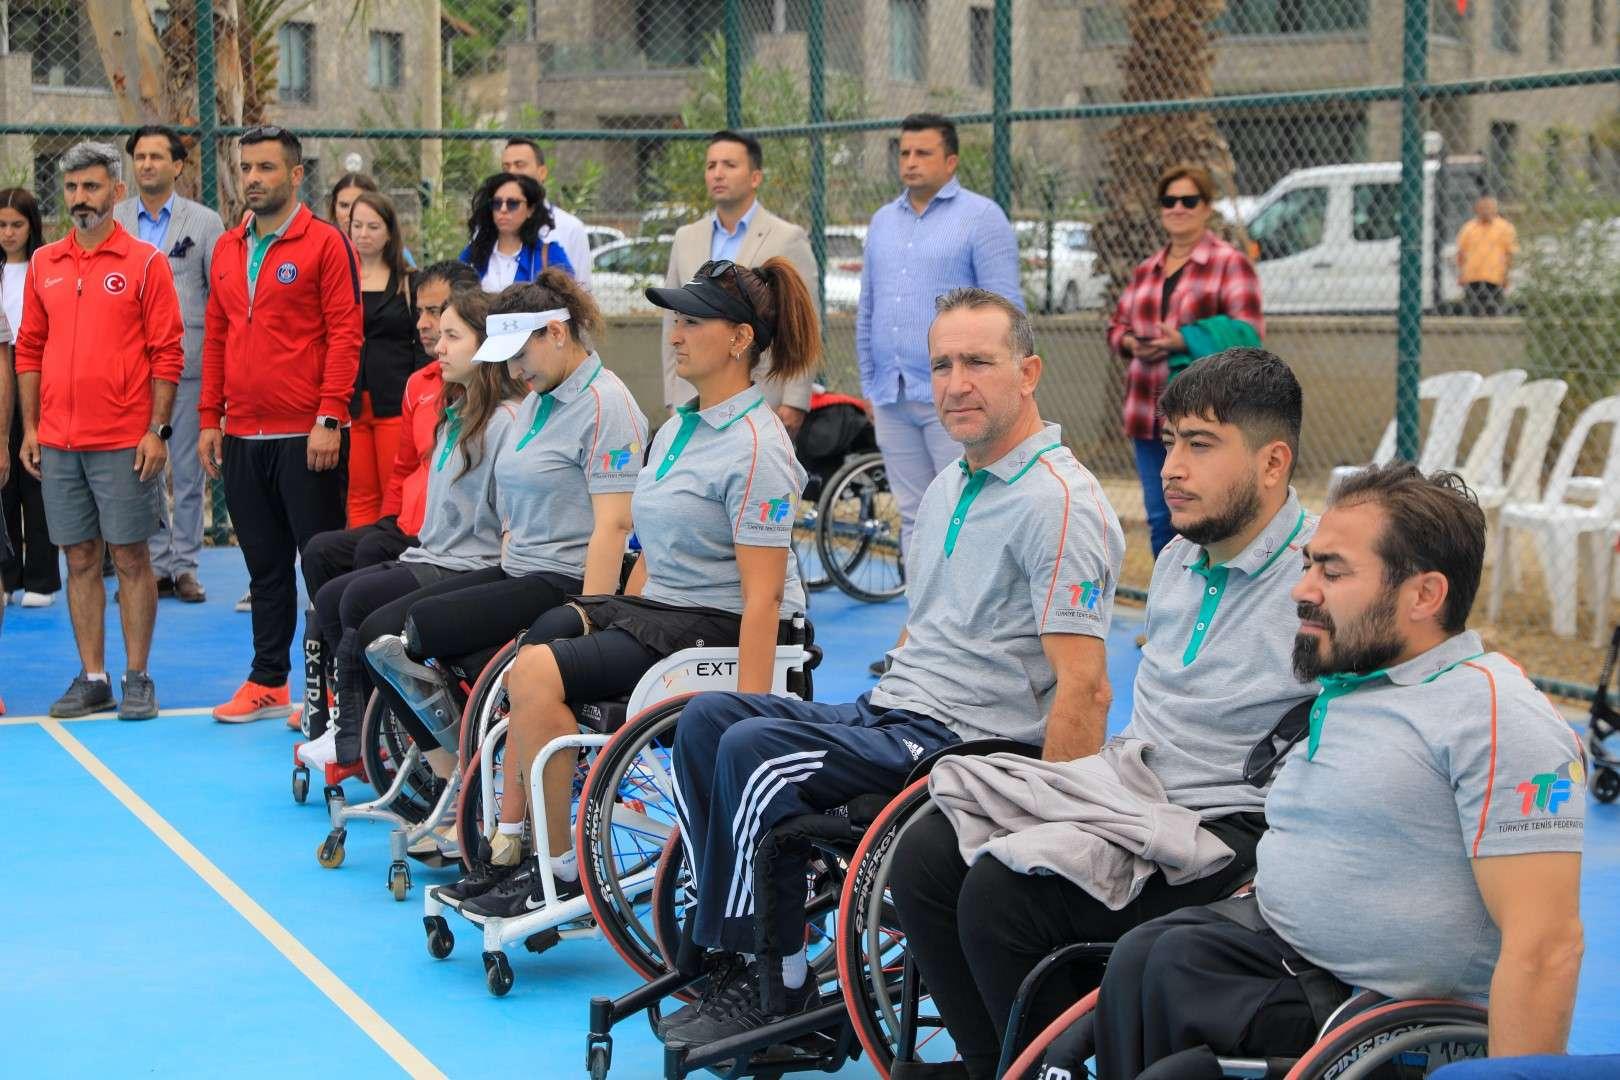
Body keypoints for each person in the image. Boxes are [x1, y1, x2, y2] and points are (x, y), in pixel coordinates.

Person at [656, 287, 1125, 1048]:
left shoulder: (1058, 503)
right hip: (896, 711)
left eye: (978, 363)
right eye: (941, 365)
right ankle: (736, 955)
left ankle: (774, 984)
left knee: (754, 751)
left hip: (964, 744)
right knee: (707, 720)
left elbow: (1087, 687)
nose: (955, 384)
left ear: (1029, 372)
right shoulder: (949, 484)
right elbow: (925, 625)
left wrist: (1051, 842)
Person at [886, 348, 1314, 1080]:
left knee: (1004, 894)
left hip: (1229, 833)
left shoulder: (1318, 585)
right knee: (927, 851)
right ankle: (995, 1065)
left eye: (1200, 445)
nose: (1171, 467)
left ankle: (1059, 1067)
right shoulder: (1178, 561)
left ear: (1273, 462)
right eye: (1170, 442)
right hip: (1136, 796)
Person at [1094, 464, 1585, 1077]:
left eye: (1332, 572)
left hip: (1383, 1021)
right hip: (1280, 953)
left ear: (1424, 596)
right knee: (1140, 955)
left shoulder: (1496, 716)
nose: (1301, 589)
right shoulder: (1358, 678)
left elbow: (1547, 946)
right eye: (1308, 565)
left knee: (1172, 1002)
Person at [441, 257, 820, 920]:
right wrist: (614, 610)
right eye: (676, 320)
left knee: (537, 670)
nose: (675, 334)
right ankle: (514, 844)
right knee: (544, 636)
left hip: (717, 627)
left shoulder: (759, 449)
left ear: (740, 340)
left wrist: (749, 723)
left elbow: (763, 600)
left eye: (693, 322)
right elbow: (652, 551)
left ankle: (557, 868)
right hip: (665, 613)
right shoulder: (677, 429)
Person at [363, 271, 644, 858]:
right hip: (518, 568)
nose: (514, 371)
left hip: (562, 580)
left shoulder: (606, 405)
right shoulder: (540, 399)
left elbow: (614, 526)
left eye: (521, 355)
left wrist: (590, 617)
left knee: (417, 631)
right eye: (508, 359)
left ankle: (479, 799)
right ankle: (462, 782)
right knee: (381, 635)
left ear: (557, 333)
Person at [298, 289, 525, 771]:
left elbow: (508, 520)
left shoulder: (506, 422)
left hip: (471, 564)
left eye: (452, 336)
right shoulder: (455, 414)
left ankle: (375, 740)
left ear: (486, 344)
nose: (438, 347)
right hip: (433, 553)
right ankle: (364, 728)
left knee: (358, 601)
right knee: (333, 594)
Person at [12, 141, 184, 720]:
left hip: (125, 442)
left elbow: (168, 352)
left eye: (91, 186)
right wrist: (32, 428)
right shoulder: (44, 263)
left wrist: (156, 430)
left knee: (131, 557)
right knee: (79, 558)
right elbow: (29, 349)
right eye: (71, 188)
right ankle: (93, 679)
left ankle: (138, 678)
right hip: (59, 442)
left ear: (117, 191)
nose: (80, 198)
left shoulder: (146, 263)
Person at [200, 125, 363, 724]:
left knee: (320, 567)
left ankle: (335, 689)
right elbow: (216, 336)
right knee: (264, 567)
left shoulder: (325, 243)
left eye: (266, 168)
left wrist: (329, 416)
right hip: (243, 435)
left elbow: (346, 334)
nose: (253, 178)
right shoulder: (227, 247)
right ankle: (269, 680)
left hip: (308, 435)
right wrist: (209, 417)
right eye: (246, 167)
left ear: (295, 175)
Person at [857, 113, 1022, 674]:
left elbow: (1006, 311)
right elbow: (869, 307)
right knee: (915, 517)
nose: (910, 162)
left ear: (951, 161)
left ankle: (970, 645)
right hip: (893, 392)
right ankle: (919, 642)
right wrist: (870, 380)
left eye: (923, 153)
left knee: (970, 513)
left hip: (959, 397)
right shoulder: (883, 221)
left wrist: (993, 387)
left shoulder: (982, 218)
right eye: (904, 153)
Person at [291, 259, 477, 735]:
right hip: (407, 524)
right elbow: (403, 467)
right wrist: (389, 518)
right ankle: (342, 693)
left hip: (444, 539)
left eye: (437, 312)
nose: (425, 324)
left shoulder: (484, 392)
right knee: (320, 552)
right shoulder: (418, 385)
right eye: (421, 312)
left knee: (369, 561)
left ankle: (374, 709)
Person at [1108, 163, 1264, 560]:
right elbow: (1116, 326)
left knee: (1202, 515)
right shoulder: (1147, 270)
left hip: (1204, 416)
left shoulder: (1230, 263)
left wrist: (1184, 339)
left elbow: (1249, 332)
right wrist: (1132, 342)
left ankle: (1209, 593)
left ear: (1207, 207)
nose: (1177, 208)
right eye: (1169, 200)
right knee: (1161, 517)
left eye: (1189, 200)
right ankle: (1169, 596)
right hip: (1148, 415)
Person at [114, 125, 226, 606]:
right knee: (142, 472)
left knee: (187, 472)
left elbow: (219, 295)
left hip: (187, 365)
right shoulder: (115, 219)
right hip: (129, 368)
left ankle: (185, 567)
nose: (147, 164)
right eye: (140, 156)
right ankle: (154, 566)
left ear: (178, 166)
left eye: (157, 156)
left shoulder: (205, 222)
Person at [660, 130, 819, 436]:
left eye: (729, 165)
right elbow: (671, 318)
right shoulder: (686, 237)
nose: (718, 173)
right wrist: (672, 395)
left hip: (762, 397)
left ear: (755, 177)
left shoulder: (787, 238)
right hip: (692, 399)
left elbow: (803, 322)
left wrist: (795, 400)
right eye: (711, 165)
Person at [346, 191, 427, 528]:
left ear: (390, 232)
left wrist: (420, 395)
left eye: (373, 226)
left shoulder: (409, 281)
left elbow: (422, 343)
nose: (363, 234)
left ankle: (391, 554)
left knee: (395, 489)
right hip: (350, 402)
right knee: (358, 494)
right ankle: (359, 555)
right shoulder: (339, 277)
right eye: (357, 225)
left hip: (395, 402)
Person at [0, 187, 58, 609]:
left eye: (16, 225)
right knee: (3, 475)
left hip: (38, 373)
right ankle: (7, 573)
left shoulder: (44, 266)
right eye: (1, 225)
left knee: (37, 475)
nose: (8, 233)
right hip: (3, 374)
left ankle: (42, 577)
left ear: (31, 226)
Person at [499, 138, 593, 290]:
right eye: (506, 167)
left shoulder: (570, 228)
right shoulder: (486, 227)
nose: (511, 173)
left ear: (542, 172)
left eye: (520, 165)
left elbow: (582, 292)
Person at [459, 172, 573, 293]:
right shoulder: (473, 254)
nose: (503, 209)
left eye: (512, 203)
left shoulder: (549, 254)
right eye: (497, 203)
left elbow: (569, 299)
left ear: (530, 209)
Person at [1457, 194, 1517, 316]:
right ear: (1476, 209)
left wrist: (1506, 275)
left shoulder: (1505, 228)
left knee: (1493, 311)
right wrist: (1461, 274)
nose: (1486, 211)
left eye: (1489, 207)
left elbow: (1509, 253)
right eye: (1483, 207)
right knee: (1473, 311)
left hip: (1495, 277)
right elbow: (1461, 253)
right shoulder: (1469, 228)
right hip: (1472, 277)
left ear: (1495, 209)